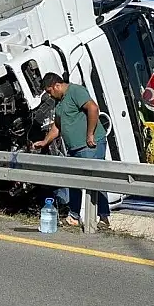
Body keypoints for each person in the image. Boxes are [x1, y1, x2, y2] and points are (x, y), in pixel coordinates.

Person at [32, 72, 111, 229]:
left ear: (57, 85)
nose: (49, 95)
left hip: (89, 145)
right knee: (74, 180)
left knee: (95, 179)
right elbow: (58, 126)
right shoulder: (59, 102)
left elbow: (93, 108)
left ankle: (103, 217)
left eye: (49, 91)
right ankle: (74, 216)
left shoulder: (75, 91)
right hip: (74, 147)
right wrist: (45, 141)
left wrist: (90, 134)